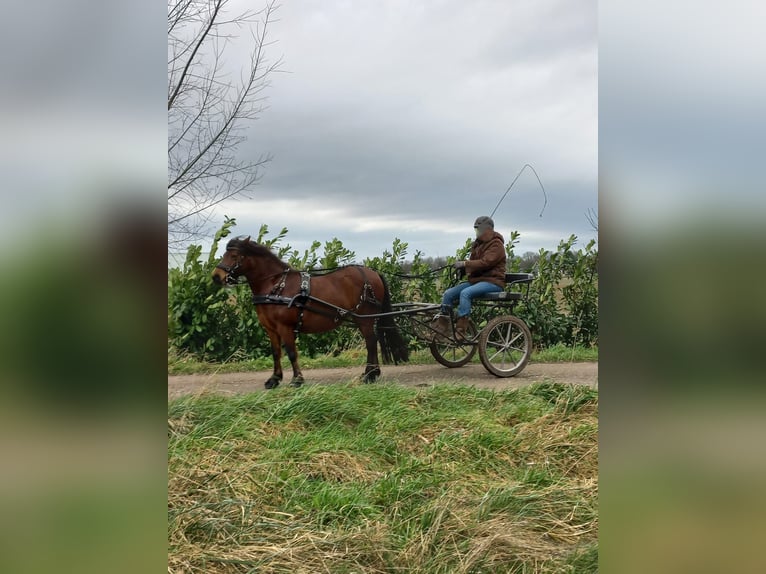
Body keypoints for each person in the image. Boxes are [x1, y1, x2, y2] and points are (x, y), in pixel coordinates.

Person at [432, 216, 506, 340]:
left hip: (493, 282)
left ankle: (461, 329)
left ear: (488, 230)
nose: (477, 233)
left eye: (479, 230)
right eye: (476, 230)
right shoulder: (477, 245)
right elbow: (474, 263)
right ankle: (443, 325)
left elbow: (485, 262)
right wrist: (461, 268)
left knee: (465, 293)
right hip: (477, 281)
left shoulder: (497, 245)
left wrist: (465, 264)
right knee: (448, 294)